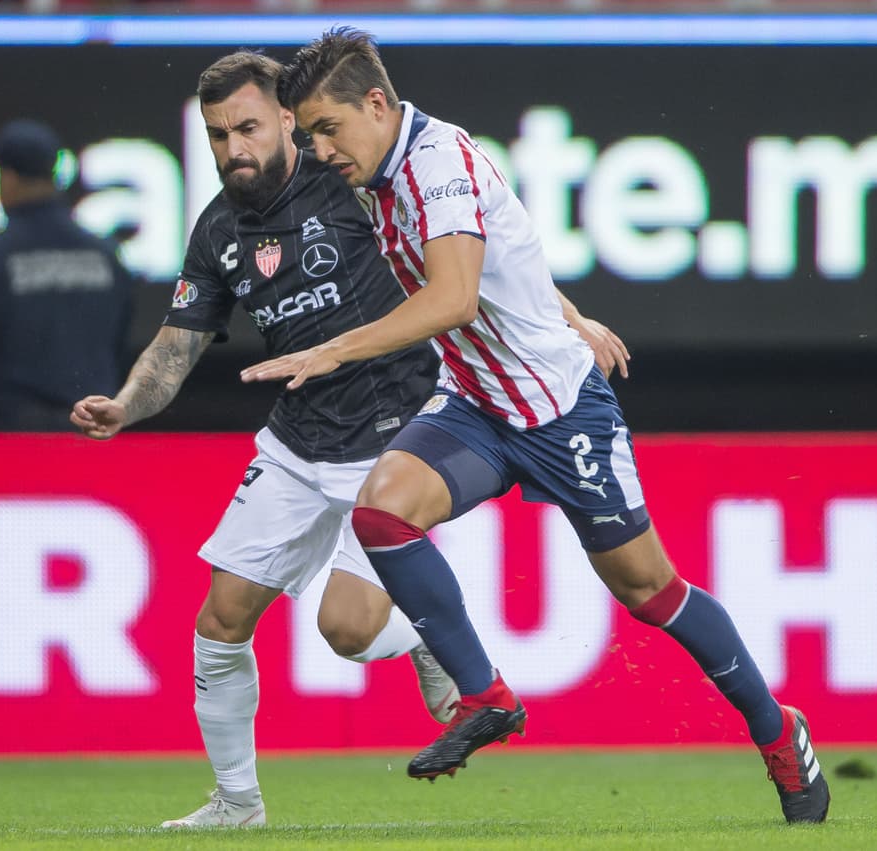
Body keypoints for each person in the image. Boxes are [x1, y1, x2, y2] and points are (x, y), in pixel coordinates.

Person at [247, 28, 829, 825]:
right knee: (383, 510)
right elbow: (508, 245)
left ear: (376, 104)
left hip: (559, 412)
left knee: (649, 592)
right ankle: (483, 695)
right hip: (477, 405)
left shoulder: (435, 167)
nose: (318, 149)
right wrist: (569, 310)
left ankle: (778, 730)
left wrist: (333, 350)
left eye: (326, 128)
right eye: (309, 133)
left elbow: (452, 298)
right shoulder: (381, 166)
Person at [71, 52, 627, 830]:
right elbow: (177, 342)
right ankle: (237, 804)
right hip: (298, 445)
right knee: (219, 621)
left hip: (398, 433)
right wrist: (126, 405)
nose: (234, 147)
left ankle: (430, 636)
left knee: (347, 629)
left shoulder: (353, 181)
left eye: (250, 127)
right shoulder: (218, 230)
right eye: (218, 133)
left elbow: (479, 256)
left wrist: (570, 319)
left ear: (288, 121)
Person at [0, 119, 135, 431]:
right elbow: (121, 345)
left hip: (6, 436)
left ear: (9, 178)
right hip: (89, 433)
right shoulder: (107, 256)